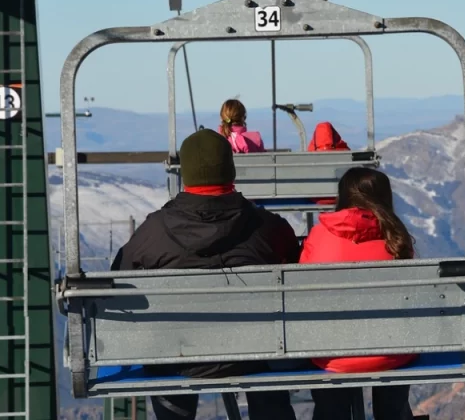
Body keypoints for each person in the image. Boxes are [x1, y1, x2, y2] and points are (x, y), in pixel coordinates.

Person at [111, 128, 299, 420]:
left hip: (179, 357)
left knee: (166, 361)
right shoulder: (269, 227)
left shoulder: (154, 231)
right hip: (259, 352)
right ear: (231, 169)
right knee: (269, 368)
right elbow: (298, 270)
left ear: (186, 174)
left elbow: (119, 279)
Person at [300, 168, 417, 420]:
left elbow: (301, 291)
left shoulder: (318, 235)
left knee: (331, 406)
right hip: (389, 353)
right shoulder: (396, 239)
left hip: (330, 356)